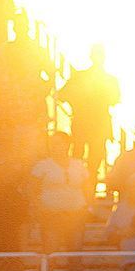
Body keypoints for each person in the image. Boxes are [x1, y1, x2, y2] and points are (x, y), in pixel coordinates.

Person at [56, 43, 119, 182]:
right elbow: (116, 99)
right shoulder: (108, 79)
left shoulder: (81, 77)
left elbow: (62, 95)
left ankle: (82, 189)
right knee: (88, 160)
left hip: (89, 124)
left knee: (85, 159)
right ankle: (83, 190)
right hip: (91, 125)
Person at [30, 130, 89, 254]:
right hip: (51, 216)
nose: (55, 146)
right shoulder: (42, 165)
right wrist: (40, 208)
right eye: (52, 144)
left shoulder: (78, 164)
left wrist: (86, 208)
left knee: (75, 253)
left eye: (58, 143)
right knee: (51, 254)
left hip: (75, 215)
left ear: (67, 145)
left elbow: (87, 187)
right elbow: (32, 190)